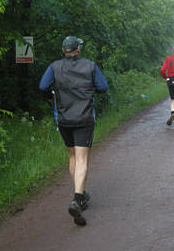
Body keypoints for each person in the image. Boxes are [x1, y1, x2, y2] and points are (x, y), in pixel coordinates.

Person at [39, 36, 108, 226]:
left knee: (72, 157)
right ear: (78, 49)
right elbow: (103, 87)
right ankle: (78, 198)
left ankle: (80, 192)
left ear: (64, 50)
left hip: (64, 118)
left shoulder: (54, 67)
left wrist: (53, 95)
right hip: (84, 117)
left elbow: (43, 86)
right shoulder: (90, 66)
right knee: (83, 158)